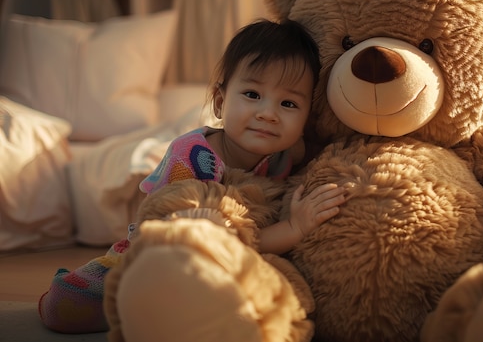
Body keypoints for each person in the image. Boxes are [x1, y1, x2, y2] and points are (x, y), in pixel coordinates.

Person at [38, 19, 347, 333]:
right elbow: (207, 242)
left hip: (229, 261)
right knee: (70, 307)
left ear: (306, 118)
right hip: (156, 250)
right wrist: (294, 227)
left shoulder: (285, 153)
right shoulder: (195, 159)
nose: (268, 113)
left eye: (288, 103)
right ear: (220, 101)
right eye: (253, 94)